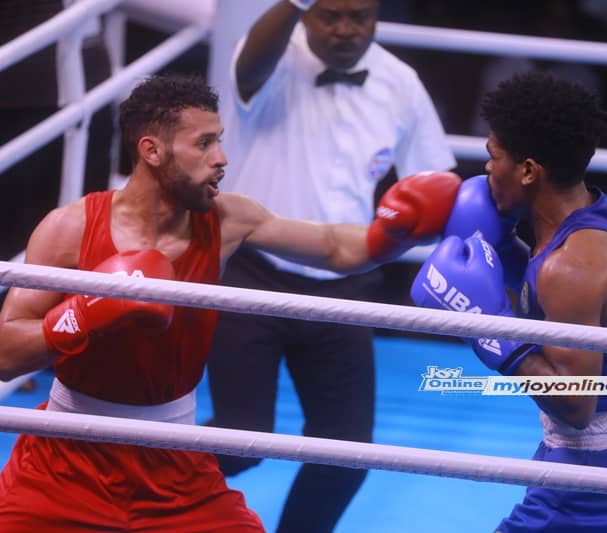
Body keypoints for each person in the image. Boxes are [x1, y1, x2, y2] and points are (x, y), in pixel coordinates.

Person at [0, 73, 460, 532]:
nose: (222, 157)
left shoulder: (226, 221)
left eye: (220, 140)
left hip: (176, 465)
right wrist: (85, 313)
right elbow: (4, 356)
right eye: (204, 143)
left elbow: (335, 247)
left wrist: (394, 233)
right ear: (152, 151)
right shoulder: (71, 228)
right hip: (64, 462)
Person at [206, 1, 456, 531]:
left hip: (343, 290)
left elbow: (438, 183)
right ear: (304, 13)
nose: (345, 30)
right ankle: (132, 495)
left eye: (359, 17)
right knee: (238, 440)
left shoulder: (399, 82)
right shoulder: (269, 59)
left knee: (345, 453)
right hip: (251, 279)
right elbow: (248, 67)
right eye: (329, 15)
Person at [410, 72, 607, 532]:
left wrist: (485, 324)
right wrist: (508, 257)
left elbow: (574, 404)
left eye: (495, 157)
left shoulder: (570, 267)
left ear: (528, 170)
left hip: (593, 474)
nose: (487, 170)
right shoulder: (595, 215)